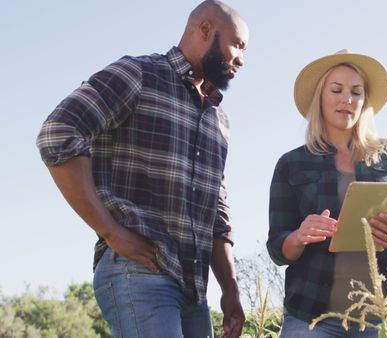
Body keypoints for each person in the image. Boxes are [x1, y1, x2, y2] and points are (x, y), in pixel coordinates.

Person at [35, 1, 248, 337]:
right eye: (237, 45)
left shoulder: (219, 120)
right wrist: (111, 232)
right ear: (205, 29)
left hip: (195, 293)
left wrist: (230, 289)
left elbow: (217, 213)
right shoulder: (138, 75)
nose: (241, 59)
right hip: (138, 275)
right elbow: (58, 133)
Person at [267, 50, 387, 338]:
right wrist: (300, 235)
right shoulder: (291, 164)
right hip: (312, 317)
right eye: (337, 90)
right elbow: (278, 247)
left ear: (365, 101)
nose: (347, 99)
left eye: (356, 91)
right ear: (320, 97)